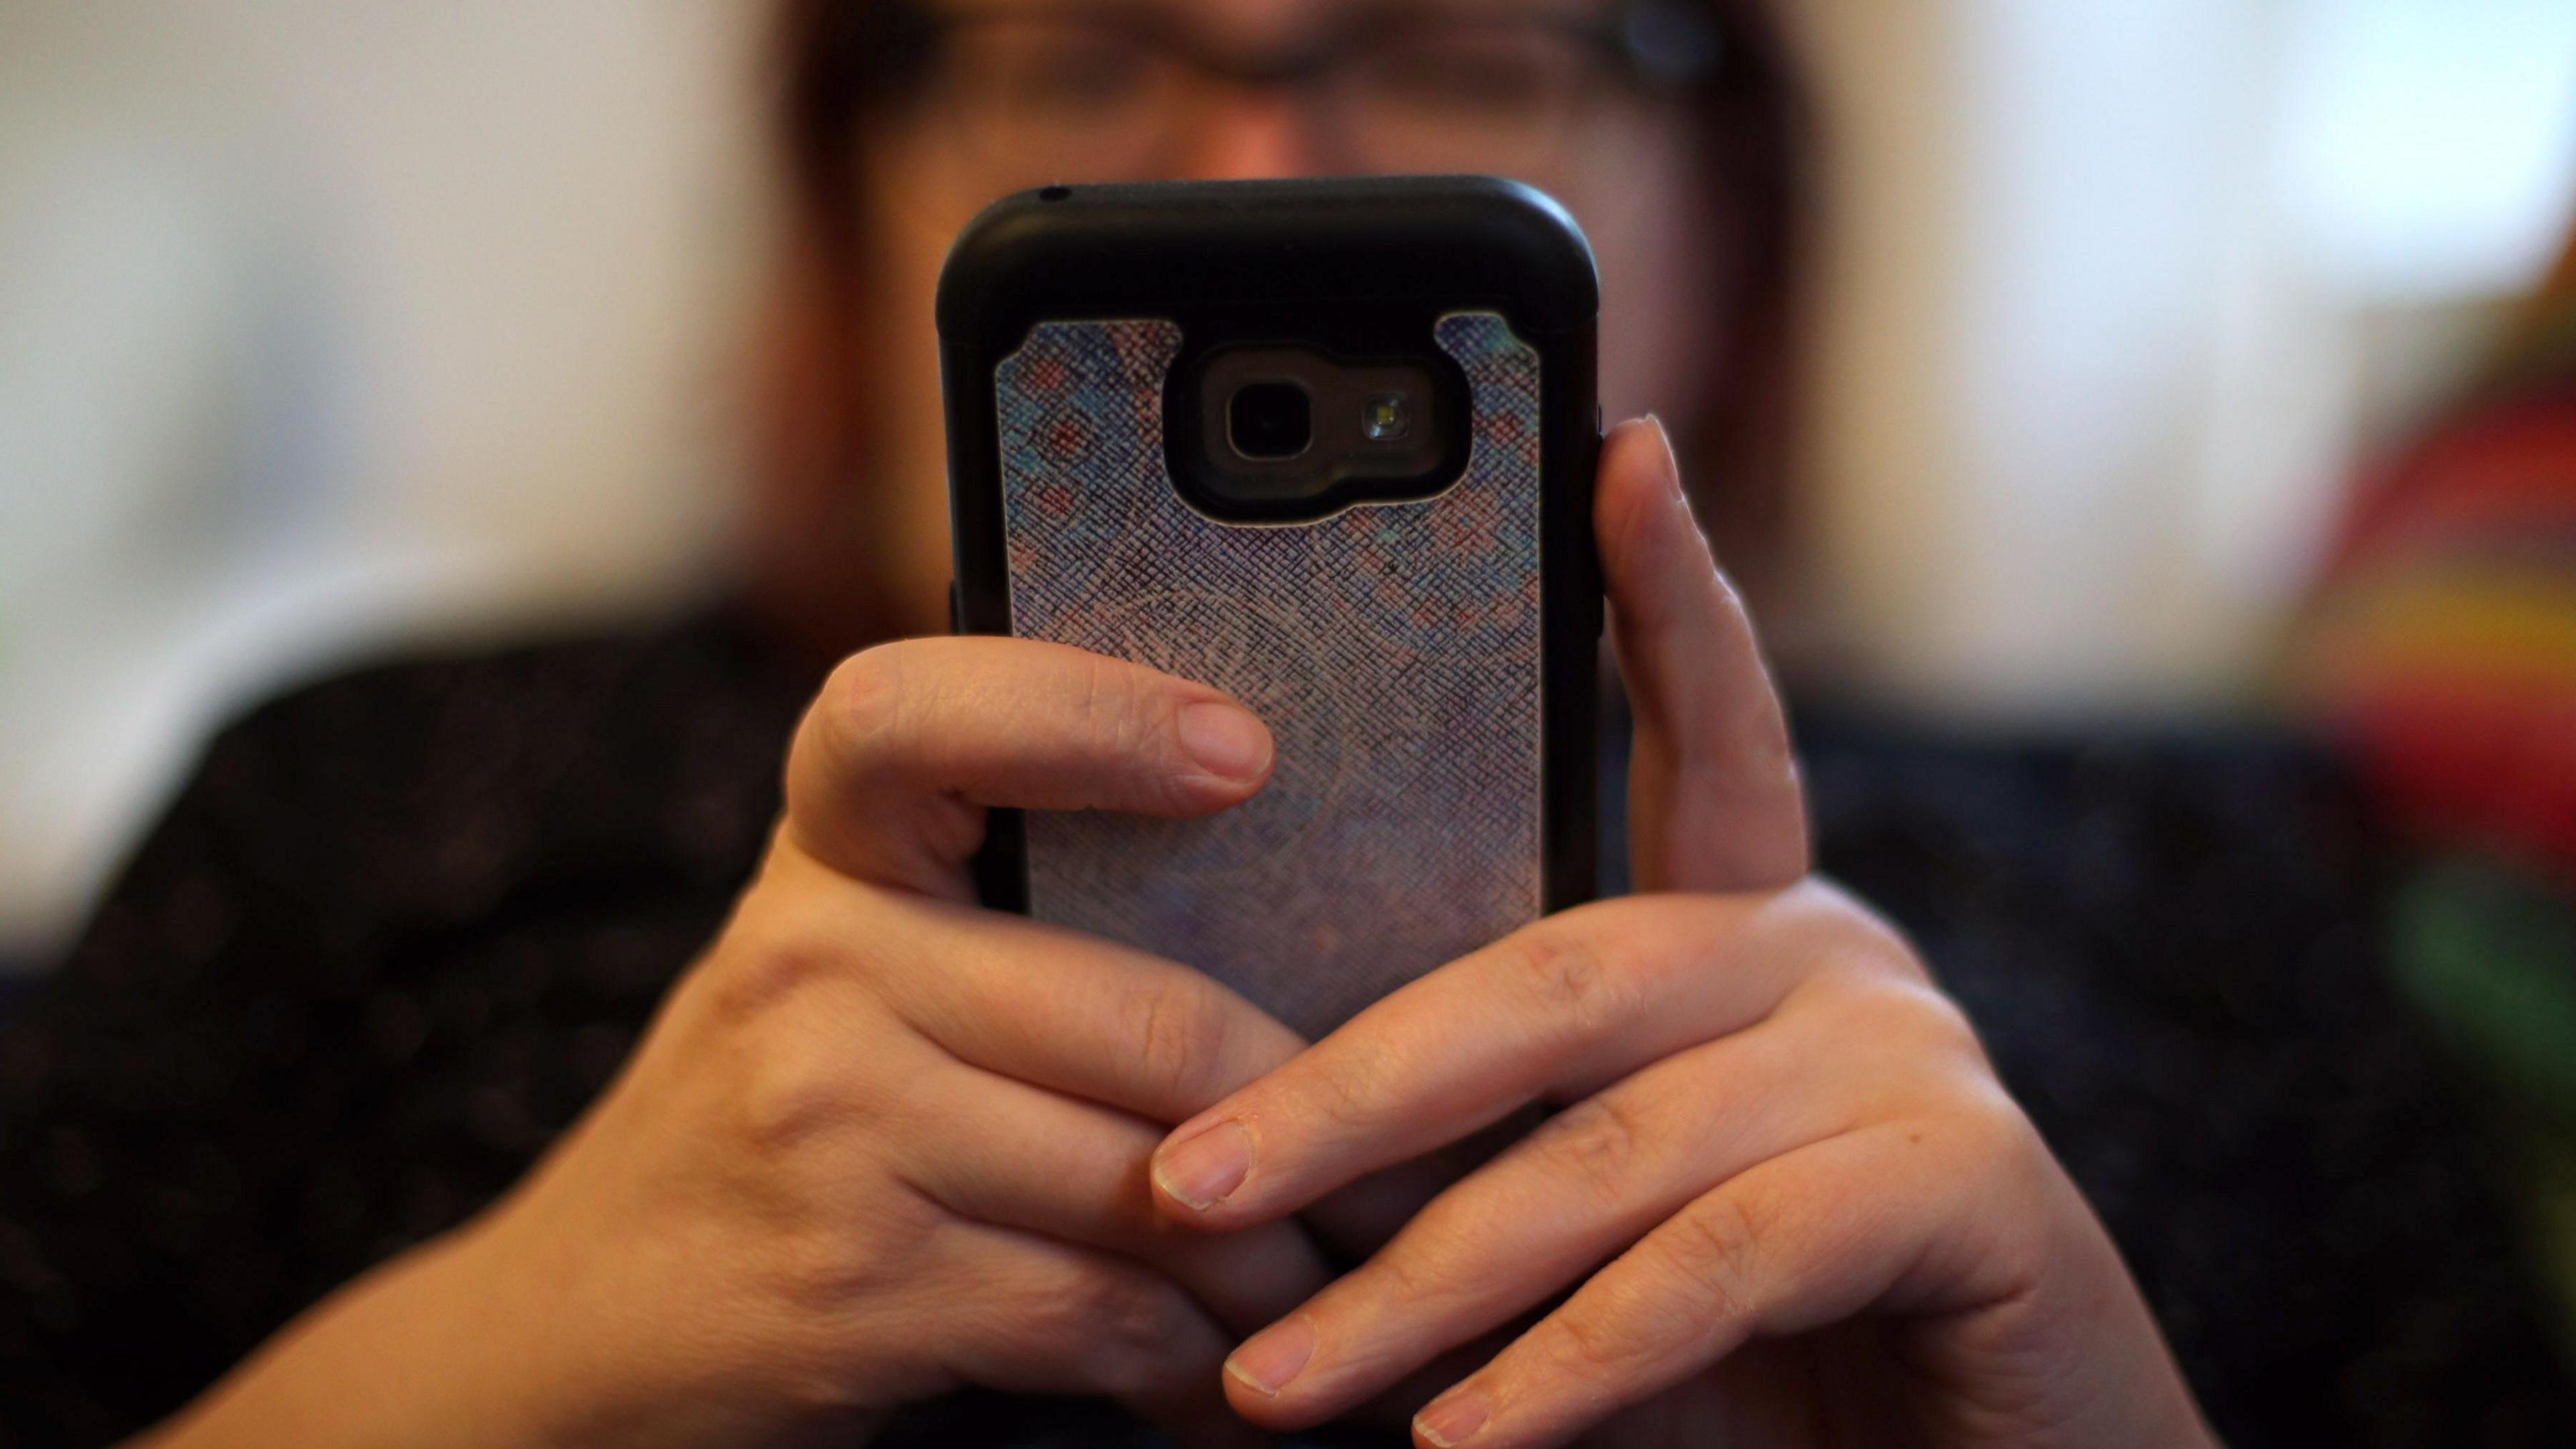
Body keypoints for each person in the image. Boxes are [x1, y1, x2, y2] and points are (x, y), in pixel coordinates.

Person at [0, 2, 2563, 1445]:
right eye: (1081, 53)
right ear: (862, 183)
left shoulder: (2200, 870)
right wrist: (500, 1353)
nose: (1253, 162)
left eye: (1460, 53)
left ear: (1731, 202)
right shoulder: (358, 801)